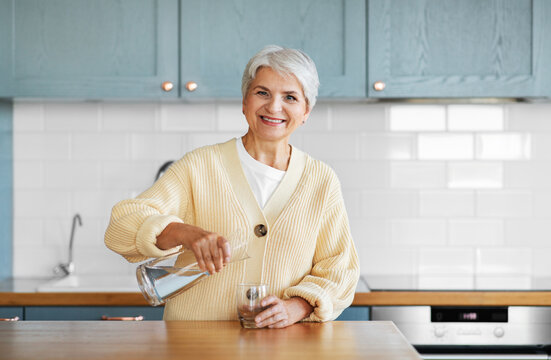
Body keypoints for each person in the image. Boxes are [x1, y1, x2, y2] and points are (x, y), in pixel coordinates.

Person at [105, 45, 359, 328]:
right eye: (262, 93)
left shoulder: (321, 181)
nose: (274, 107)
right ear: (244, 101)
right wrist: (181, 232)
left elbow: (340, 270)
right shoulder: (199, 166)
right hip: (193, 347)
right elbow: (121, 227)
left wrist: (297, 306)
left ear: (306, 111)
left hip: (283, 350)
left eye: (290, 97)